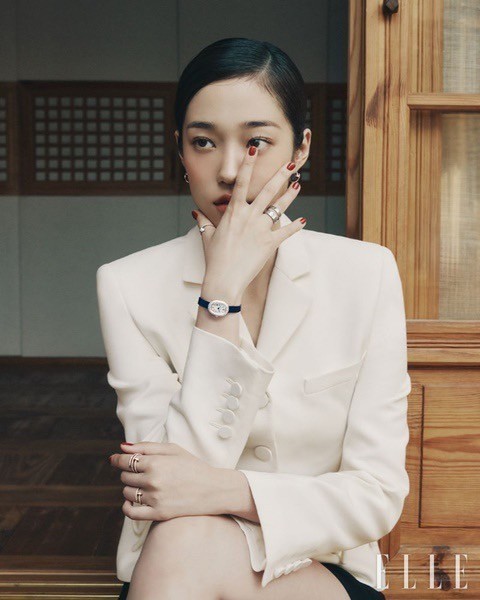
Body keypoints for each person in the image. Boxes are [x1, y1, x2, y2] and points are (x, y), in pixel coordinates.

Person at [97, 37, 410, 599]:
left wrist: (230, 492)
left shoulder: (366, 275)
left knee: (188, 536)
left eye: (256, 142)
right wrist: (219, 295)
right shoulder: (127, 286)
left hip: (318, 569)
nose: (228, 169)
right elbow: (161, 491)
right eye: (203, 142)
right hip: (177, 567)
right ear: (179, 150)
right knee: (185, 537)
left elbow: (377, 496)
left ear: (301, 149)